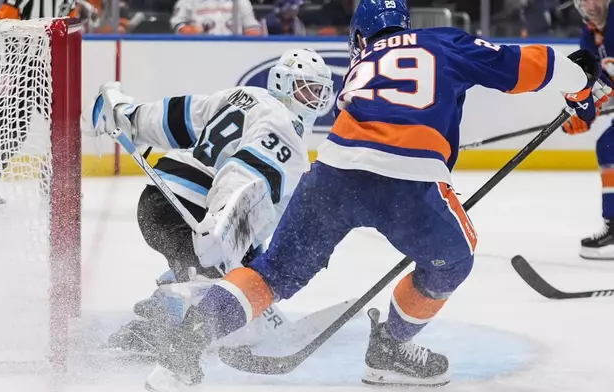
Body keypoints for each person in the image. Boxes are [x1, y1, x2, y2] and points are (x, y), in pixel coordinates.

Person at [140, 0, 612, 389]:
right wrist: (582, 90)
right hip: (408, 184)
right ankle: (392, 349)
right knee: (454, 257)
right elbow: (540, 67)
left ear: (361, 37)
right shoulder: (444, 41)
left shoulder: (363, 64)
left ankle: (182, 349)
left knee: (273, 272)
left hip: (335, 170)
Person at [80, 49, 333, 353]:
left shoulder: (243, 95)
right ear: (283, 82)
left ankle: (174, 289)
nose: (315, 98)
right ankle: (161, 318)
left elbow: (179, 117)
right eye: (307, 88)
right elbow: (245, 177)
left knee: (223, 266)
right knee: (213, 283)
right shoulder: (285, 128)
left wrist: (131, 117)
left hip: (158, 201)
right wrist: (222, 224)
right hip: (194, 211)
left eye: (320, 90)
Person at [0, 0, 77, 205]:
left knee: (65, 126)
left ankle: (53, 182)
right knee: (12, 132)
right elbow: (2, 24)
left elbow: (68, 28)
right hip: (17, 69)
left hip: (47, 70)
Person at [566, 0, 614, 259]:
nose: (590, 4)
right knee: (609, 147)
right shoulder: (590, 36)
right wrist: (582, 112)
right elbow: (594, 82)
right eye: (583, 0)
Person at [170, 0, 261, 35]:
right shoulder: (187, 1)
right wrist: (195, 33)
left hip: (235, 48)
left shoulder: (241, 2)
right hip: (199, 48)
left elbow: (252, 27)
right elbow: (179, 25)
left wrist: (248, 39)